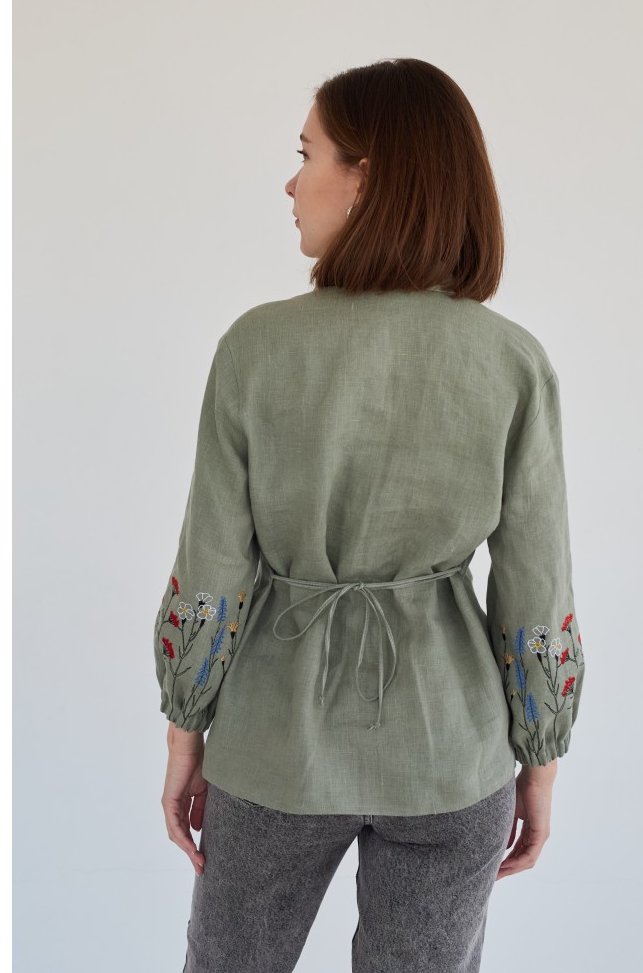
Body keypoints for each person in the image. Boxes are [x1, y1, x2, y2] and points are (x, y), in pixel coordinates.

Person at [153, 57, 586, 973]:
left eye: (306, 153)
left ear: (367, 177)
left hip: (274, 747)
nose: (291, 182)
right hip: (450, 752)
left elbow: (213, 566)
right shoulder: (511, 361)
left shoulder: (256, 348)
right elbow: (536, 587)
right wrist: (539, 764)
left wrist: (186, 734)